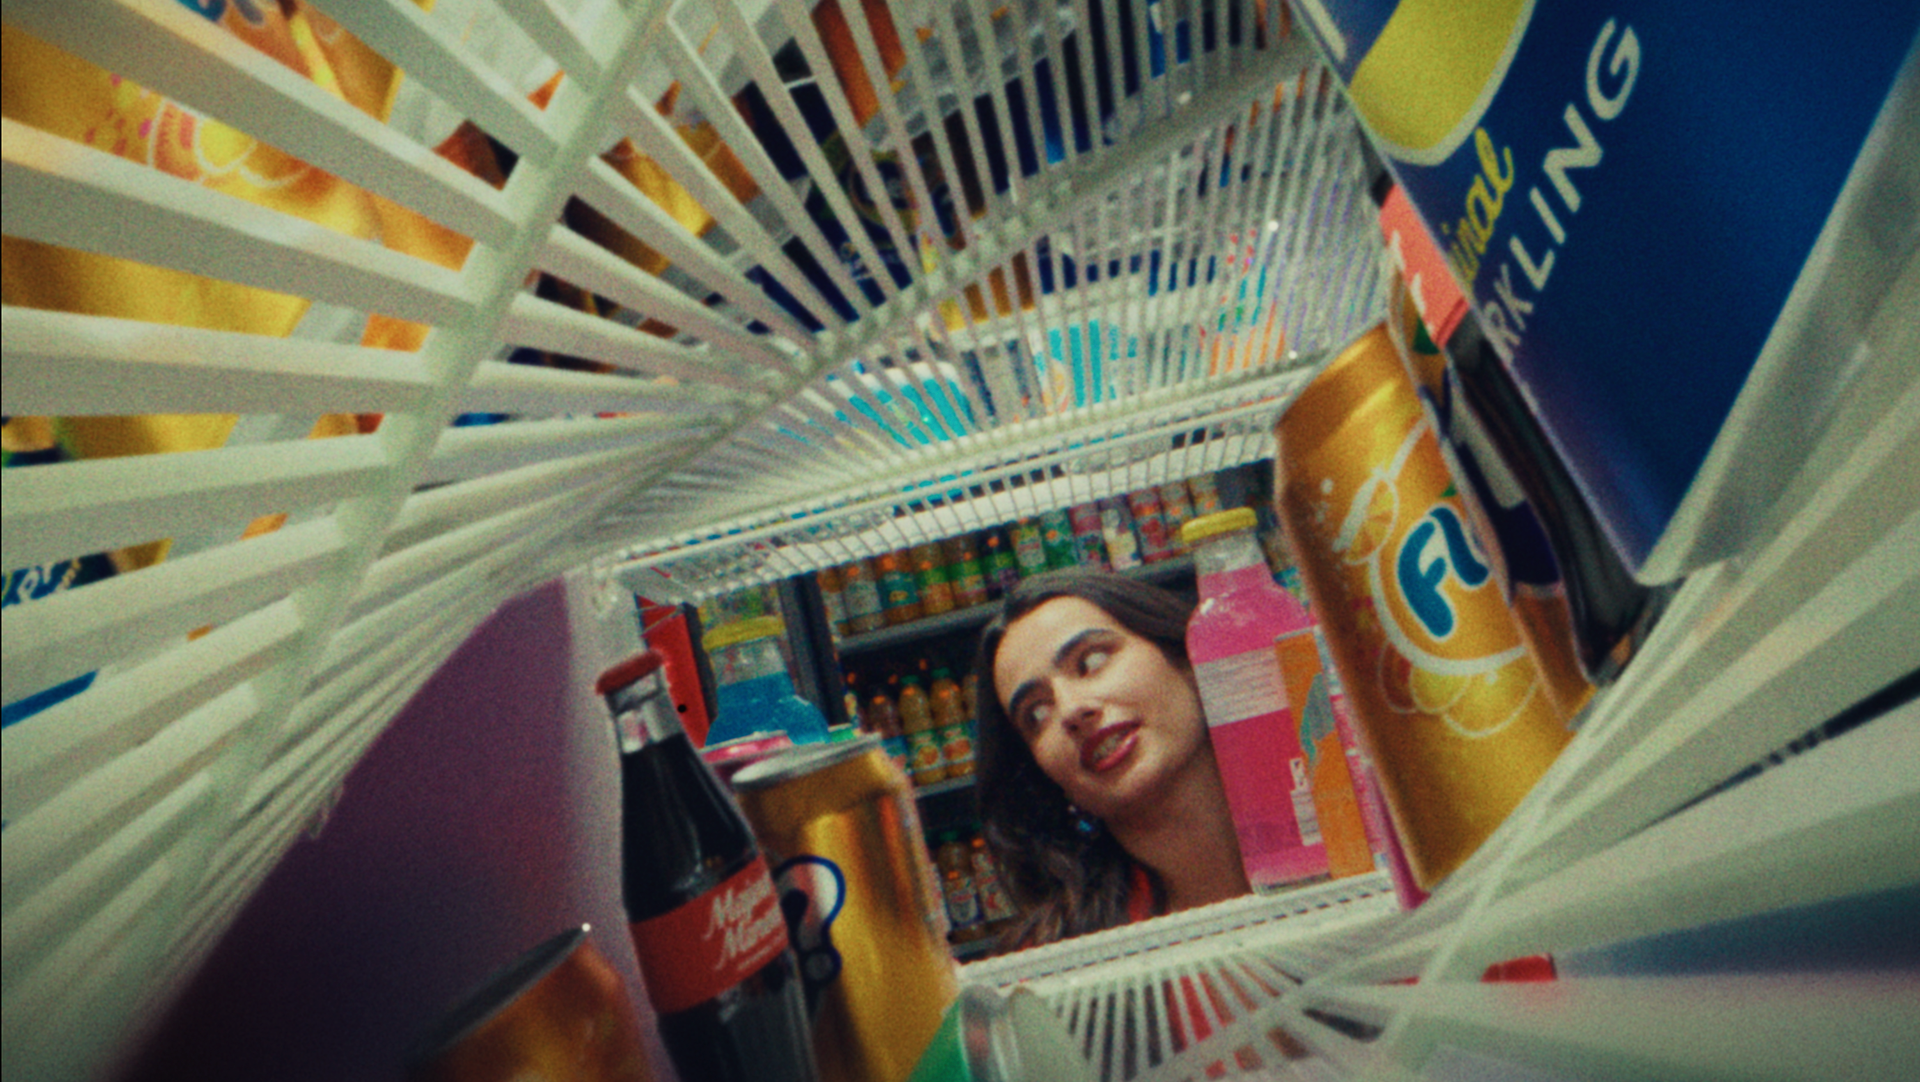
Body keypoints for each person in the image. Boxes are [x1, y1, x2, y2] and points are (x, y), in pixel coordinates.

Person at [972, 567, 1250, 949]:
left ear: (1185, 657)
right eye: (1037, 712)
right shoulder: (1059, 959)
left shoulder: (1336, 819)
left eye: (1091, 661)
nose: (1070, 710)